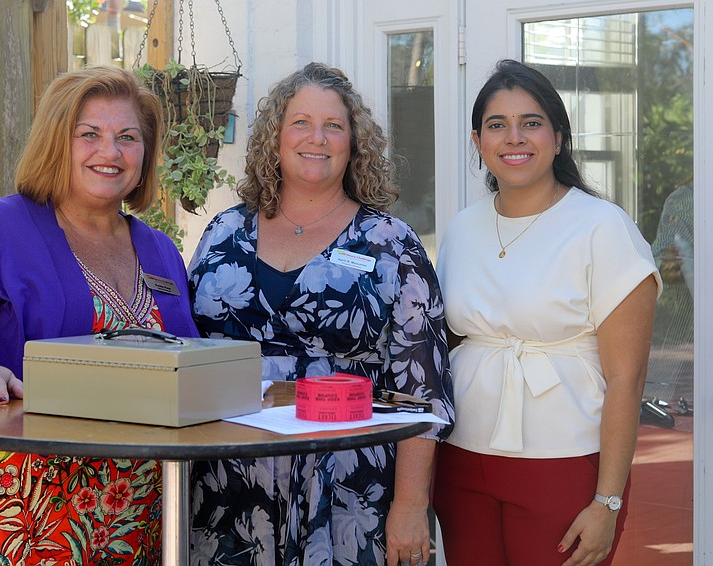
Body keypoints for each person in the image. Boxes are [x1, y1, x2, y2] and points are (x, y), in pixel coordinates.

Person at [0, 65, 199, 564]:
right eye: (89, 134)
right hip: (12, 508)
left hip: (132, 509)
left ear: (144, 155)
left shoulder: (161, 250)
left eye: (127, 137)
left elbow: (188, 358)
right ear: (56, 144)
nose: (110, 152)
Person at [187, 61, 454, 566]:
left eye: (334, 126)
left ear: (354, 143)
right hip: (227, 486)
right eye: (301, 123)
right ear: (276, 137)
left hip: (350, 488)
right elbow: (187, 351)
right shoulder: (223, 233)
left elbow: (424, 391)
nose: (318, 138)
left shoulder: (391, 245)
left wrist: (412, 504)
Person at [433, 59, 661, 566]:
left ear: (558, 138)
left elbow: (628, 377)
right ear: (478, 142)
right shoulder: (462, 229)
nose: (514, 137)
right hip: (462, 458)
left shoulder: (602, 227)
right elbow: (442, 345)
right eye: (497, 125)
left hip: (565, 462)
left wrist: (608, 502)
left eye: (531, 122)